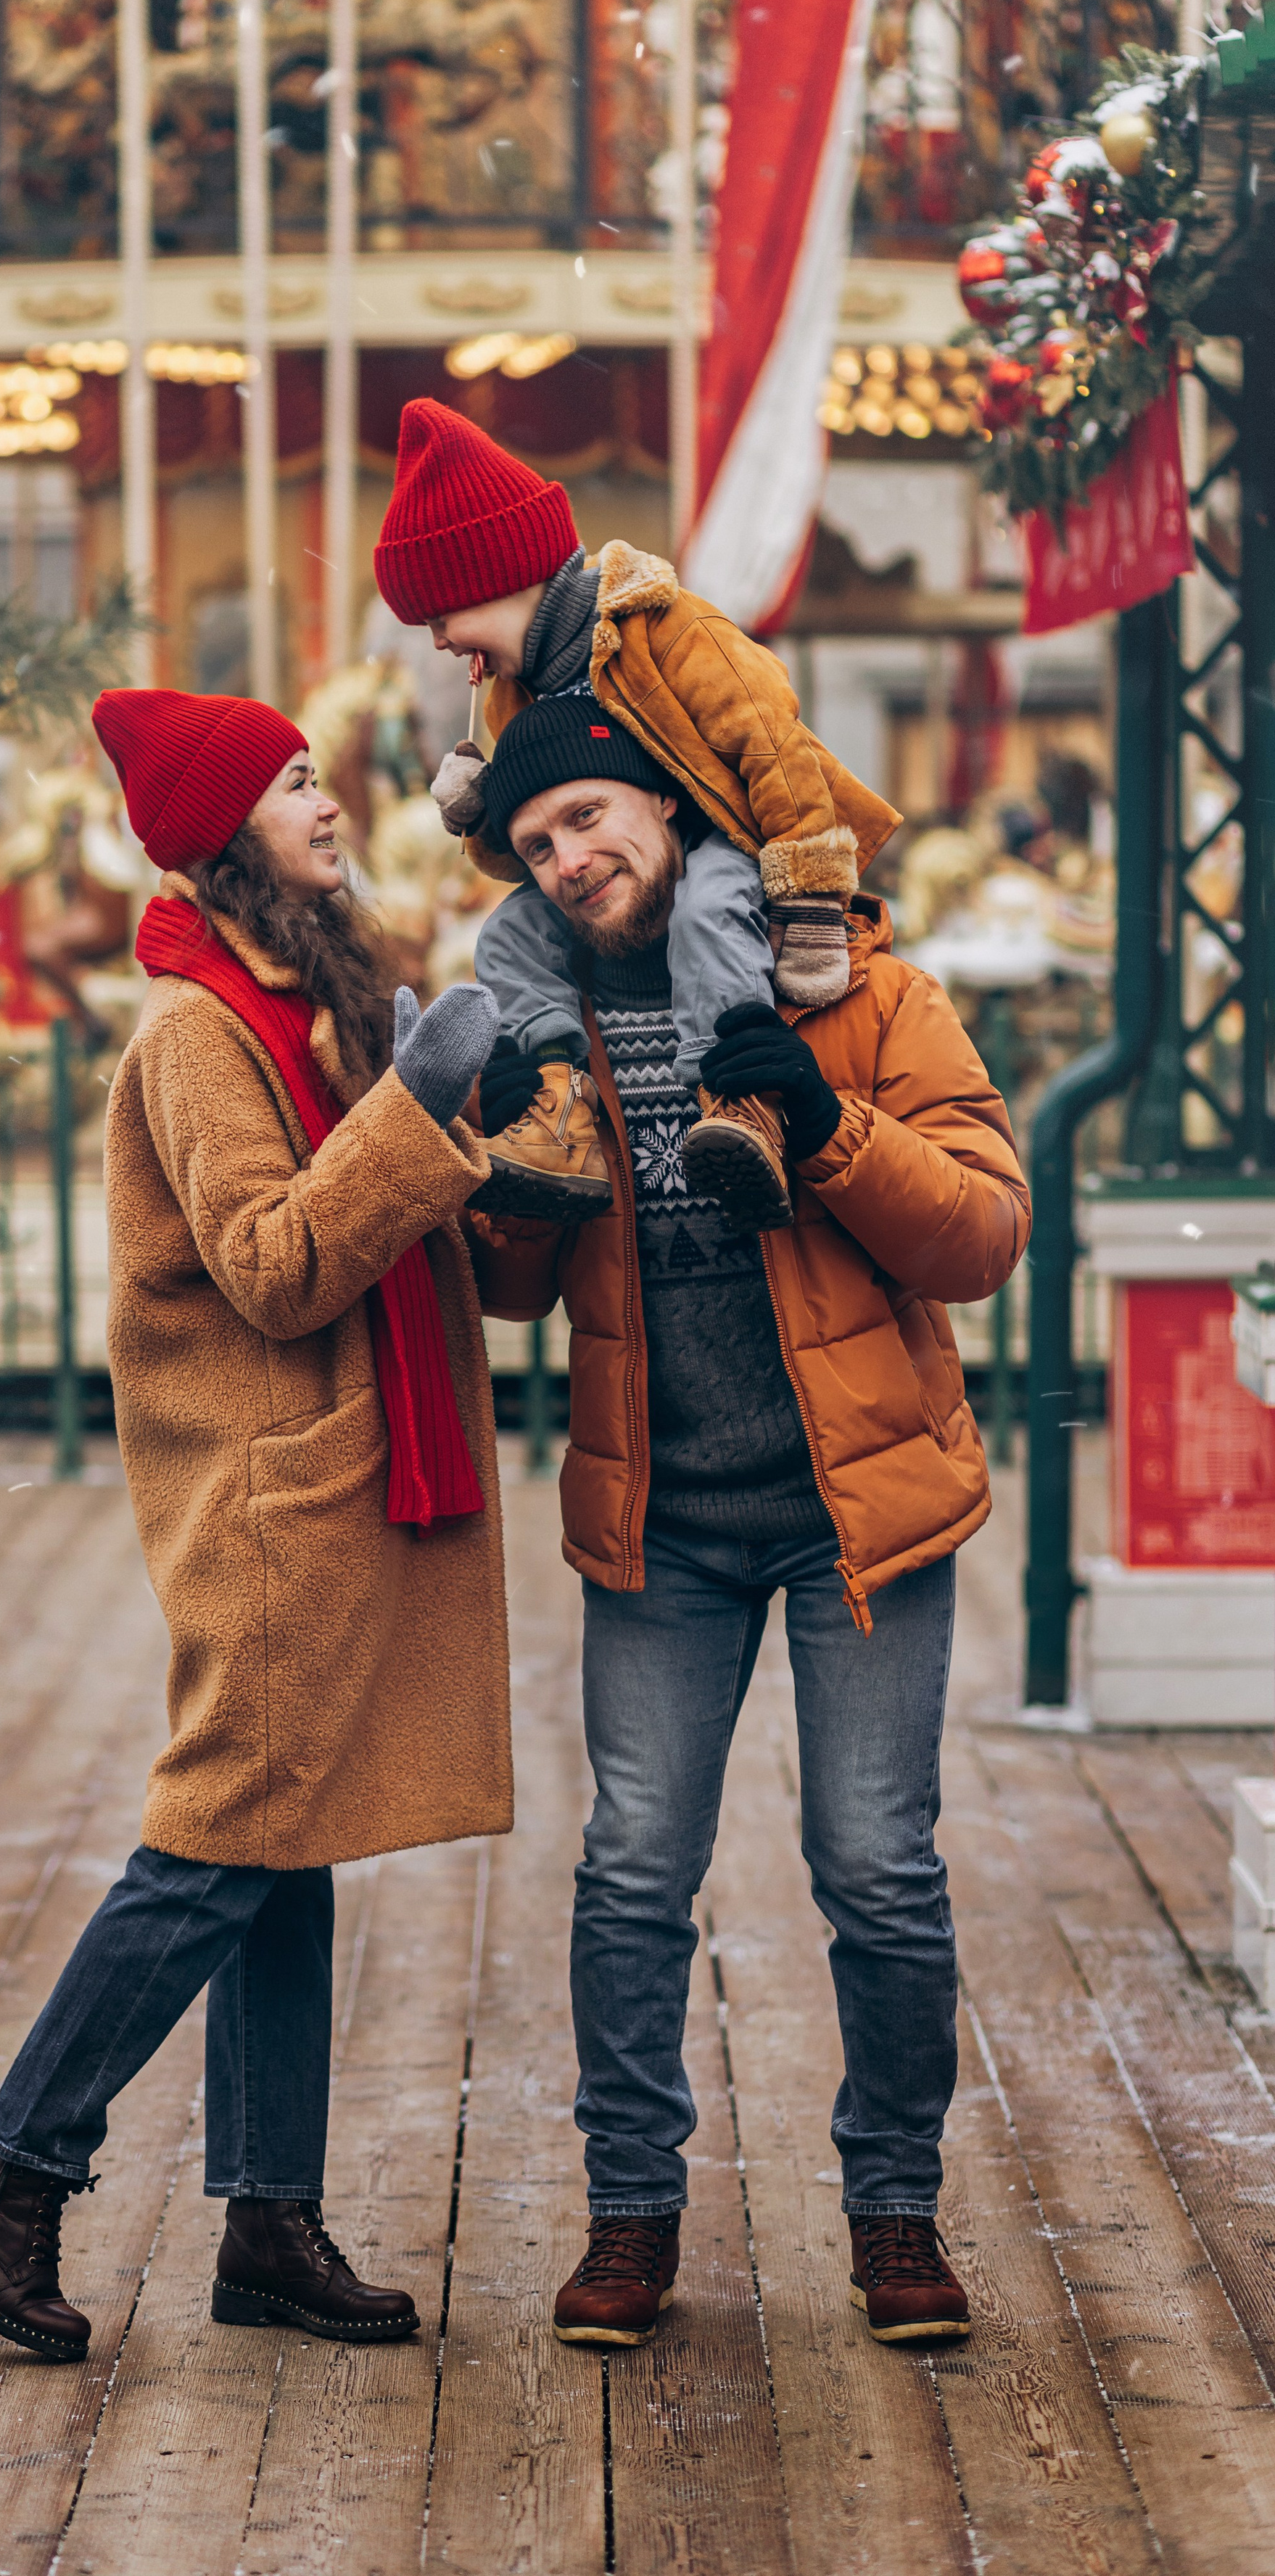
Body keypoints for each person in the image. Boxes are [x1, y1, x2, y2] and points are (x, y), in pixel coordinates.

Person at [0, 688, 512, 2360]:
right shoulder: (192, 1035)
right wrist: (412, 1108)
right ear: (227, 828)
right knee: (212, 1847)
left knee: (277, 1846)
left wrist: (452, 1107)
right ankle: (9, 2175)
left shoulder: (289, 1005)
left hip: (319, 1485)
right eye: (295, 781)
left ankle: (265, 2220)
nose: (330, 801)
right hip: (266, 1506)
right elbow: (269, 1260)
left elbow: (382, 1222)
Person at [464, 699, 1031, 2350]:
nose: (571, 859)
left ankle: (893, 2212)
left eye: (587, 816)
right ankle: (629, 2215)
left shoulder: (854, 991)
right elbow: (505, 1292)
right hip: (661, 1520)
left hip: (856, 1512)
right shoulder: (548, 1023)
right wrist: (500, 1159)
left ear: (660, 803)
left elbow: (984, 1232)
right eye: (535, 844)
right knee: (632, 1869)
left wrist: (829, 1123)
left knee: (874, 1867)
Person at [371, 398, 898, 1234]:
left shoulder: (664, 627)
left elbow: (773, 744)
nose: (437, 640)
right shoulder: (513, 693)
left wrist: (806, 896)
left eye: (439, 614)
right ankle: (558, 1109)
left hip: (724, 847)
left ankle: (738, 1097)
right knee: (506, 935)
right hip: (636, 881)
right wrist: (481, 810)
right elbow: (532, 849)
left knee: (706, 907)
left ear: (490, 578)